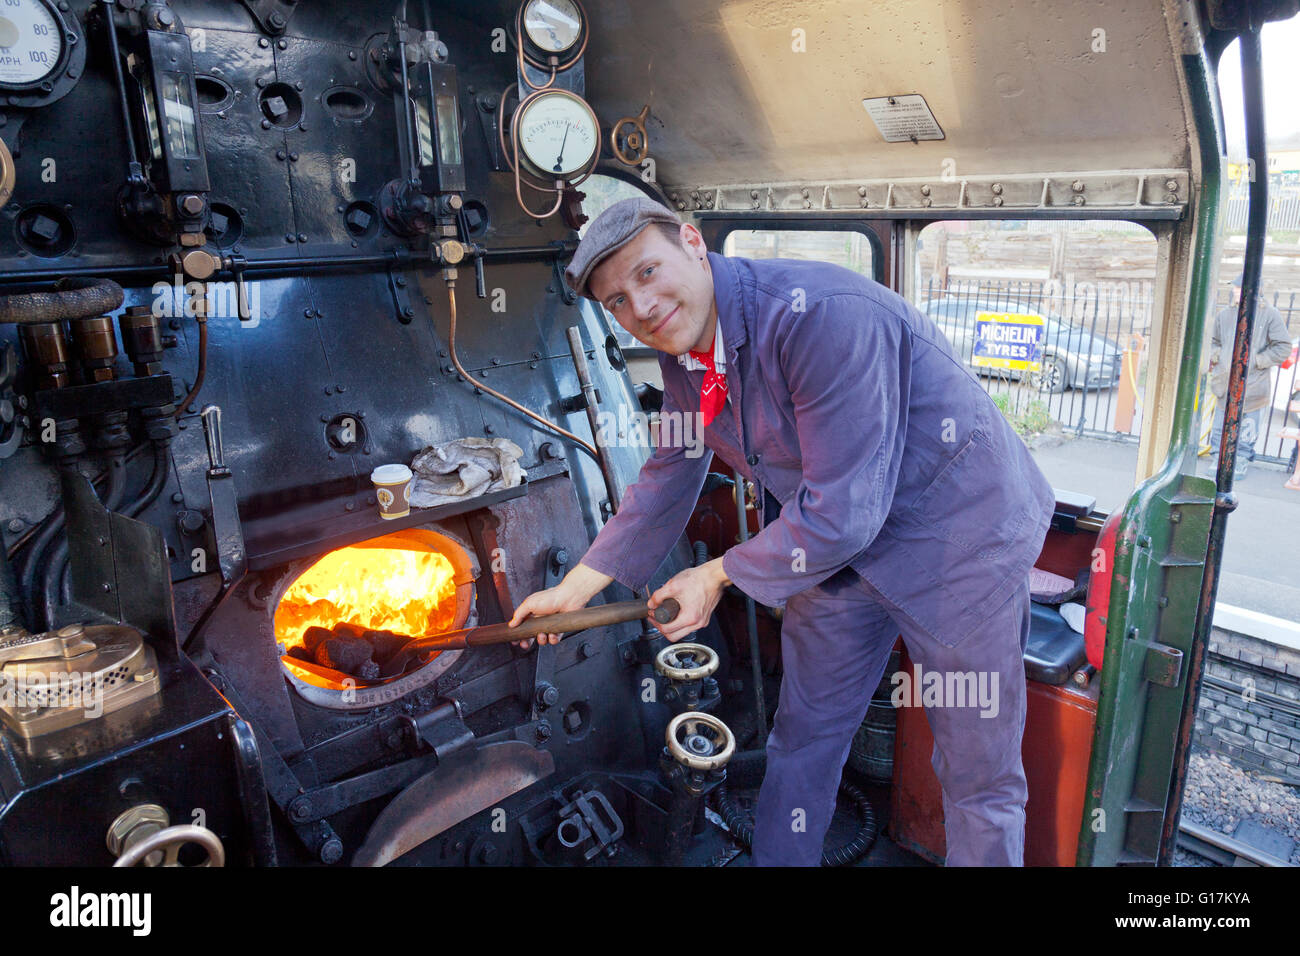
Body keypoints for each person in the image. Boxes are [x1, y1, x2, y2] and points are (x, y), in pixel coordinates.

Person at [507, 197, 1056, 866]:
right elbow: (673, 467)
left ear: (692, 241)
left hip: (956, 539)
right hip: (830, 551)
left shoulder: (820, 317)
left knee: (976, 778)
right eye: (617, 301)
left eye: (647, 273)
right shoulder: (685, 356)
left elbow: (844, 510)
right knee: (803, 741)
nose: (641, 308)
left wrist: (718, 572)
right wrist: (578, 587)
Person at [1206, 274, 1292, 478]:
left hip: (1254, 386)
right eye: (1235, 288)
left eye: (1238, 288)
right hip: (1224, 384)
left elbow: (1283, 347)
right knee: (1220, 425)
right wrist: (1218, 355)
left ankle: (1241, 460)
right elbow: (1212, 341)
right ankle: (1218, 458)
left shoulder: (1270, 315)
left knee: (1247, 429)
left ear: (1254, 291)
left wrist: (1256, 360)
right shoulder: (1225, 315)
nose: (1234, 291)